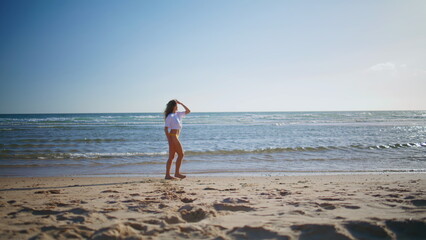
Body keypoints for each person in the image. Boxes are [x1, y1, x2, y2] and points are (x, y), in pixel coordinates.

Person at [164, 99, 191, 180]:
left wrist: (181, 103)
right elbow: (165, 129)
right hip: (173, 136)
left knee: (172, 156)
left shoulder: (178, 114)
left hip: (175, 136)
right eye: (177, 105)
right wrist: (169, 140)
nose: (178, 106)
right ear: (173, 106)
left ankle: (168, 175)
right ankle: (176, 173)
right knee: (181, 154)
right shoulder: (170, 116)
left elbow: (188, 111)